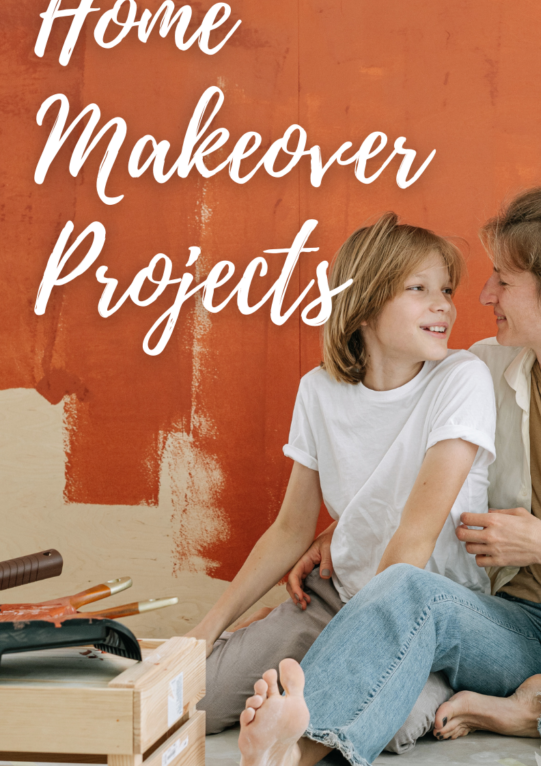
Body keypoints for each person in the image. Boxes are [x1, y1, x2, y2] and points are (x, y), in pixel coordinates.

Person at [236, 185, 541, 766]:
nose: (483, 293)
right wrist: (342, 529)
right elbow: (416, 466)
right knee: (404, 588)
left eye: (504, 279)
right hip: (516, 629)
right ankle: (293, 751)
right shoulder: (480, 373)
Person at [189, 212, 497, 742]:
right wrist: (204, 631)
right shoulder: (319, 391)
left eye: (446, 289)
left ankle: (452, 690)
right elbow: (290, 529)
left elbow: (414, 538)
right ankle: (305, 684)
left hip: (425, 613)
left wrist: (349, 657)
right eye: (419, 288)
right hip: (340, 597)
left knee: (382, 722)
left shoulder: (462, 379)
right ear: (366, 305)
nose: (443, 304)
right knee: (197, 695)